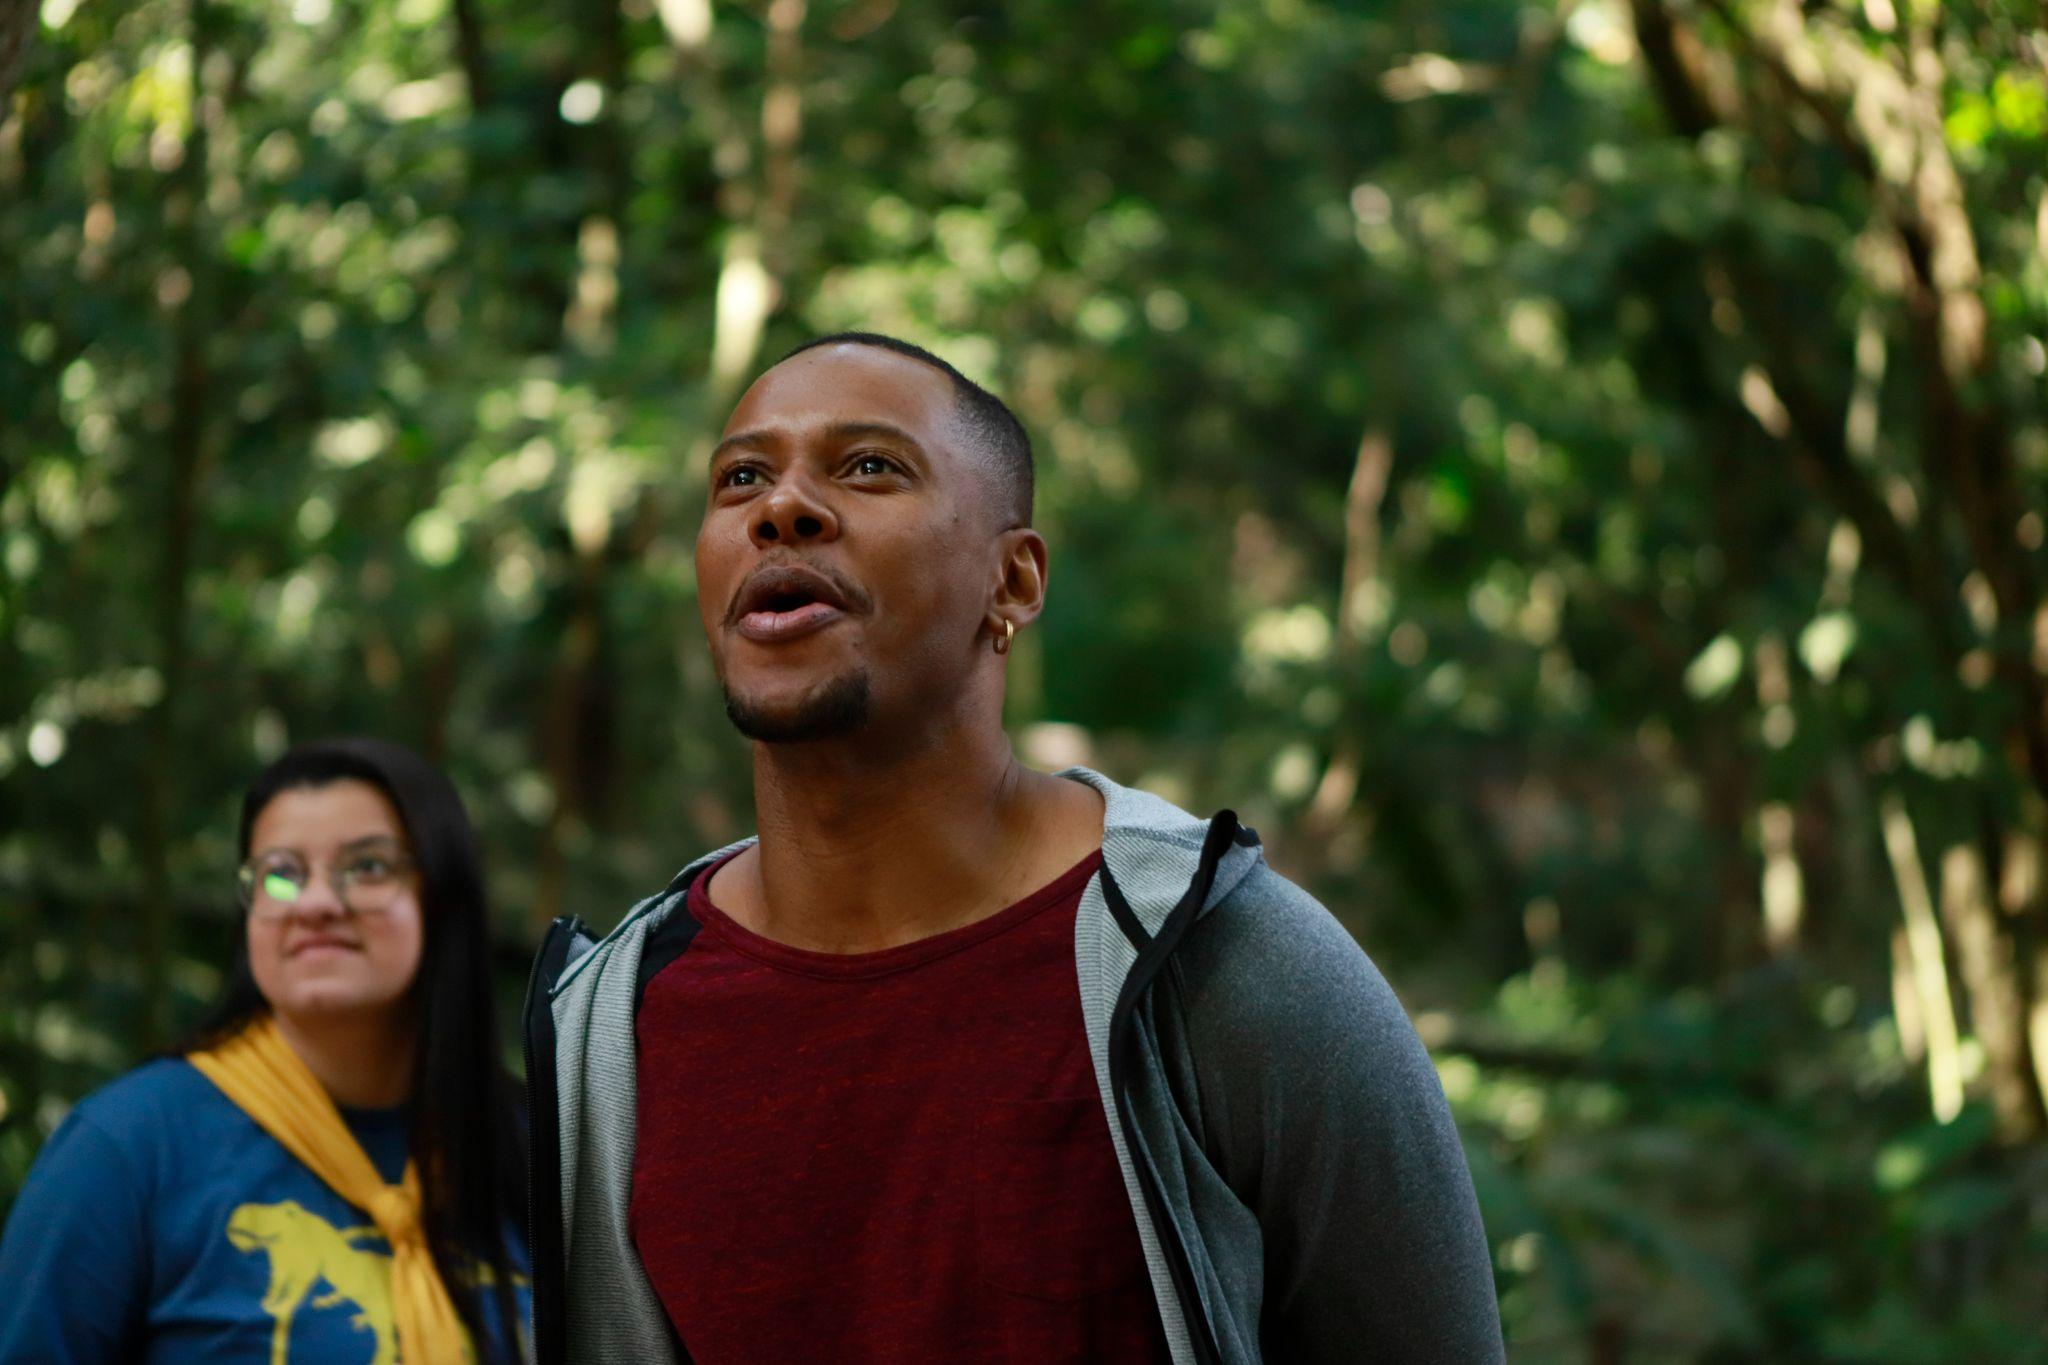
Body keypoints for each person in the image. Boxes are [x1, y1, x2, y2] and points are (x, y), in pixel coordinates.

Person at [524, 333, 1504, 1363]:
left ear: (1015, 579)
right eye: (740, 479)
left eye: (869, 466)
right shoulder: (612, 1028)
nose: (782, 508)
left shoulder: (1222, 965)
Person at [0, 737, 531, 1363]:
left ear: (442, 898)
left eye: (368, 868)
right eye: (281, 874)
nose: (316, 903)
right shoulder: (127, 1147)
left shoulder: (537, 1147)